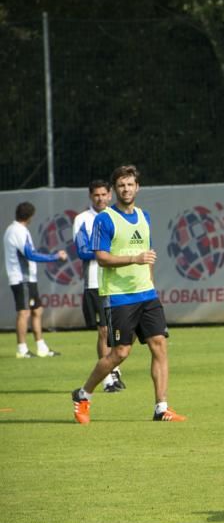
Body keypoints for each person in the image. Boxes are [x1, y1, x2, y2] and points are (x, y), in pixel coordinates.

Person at [71, 165, 185, 424]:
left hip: (147, 295)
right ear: (115, 190)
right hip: (118, 296)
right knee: (120, 353)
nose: (126, 189)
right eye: (121, 185)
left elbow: (149, 254)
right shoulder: (105, 219)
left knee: (160, 347)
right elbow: (100, 258)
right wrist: (135, 257)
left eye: (130, 184)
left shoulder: (144, 216)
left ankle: (161, 407)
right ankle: (83, 394)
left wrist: (151, 283)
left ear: (137, 188)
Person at [73, 179, 126, 392]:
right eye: (96, 195)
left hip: (120, 282)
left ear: (110, 195)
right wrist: (106, 252)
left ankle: (114, 371)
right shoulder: (82, 219)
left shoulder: (117, 216)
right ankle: (107, 379)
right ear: (90, 196)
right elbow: (81, 250)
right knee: (104, 331)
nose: (100, 198)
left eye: (104, 194)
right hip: (96, 282)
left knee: (119, 332)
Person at [3, 202, 68, 358]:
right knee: (24, 313)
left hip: (28, 278)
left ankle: (41, 347)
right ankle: (22, 349)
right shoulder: (17, 231)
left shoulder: (17, 229)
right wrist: (55, 257)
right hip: (21, 278)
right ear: (30, 216)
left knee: (37, 310)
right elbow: (30, 254)